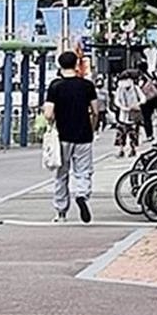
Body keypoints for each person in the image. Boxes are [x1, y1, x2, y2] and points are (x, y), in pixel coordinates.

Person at [44, 50, 100, 223]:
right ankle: (82, 195)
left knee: (62, 174)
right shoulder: (87, 85)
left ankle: (61, 212)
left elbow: (48, 113)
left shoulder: (55, 86)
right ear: (76, 64)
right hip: (84, 134)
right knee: (83, 171)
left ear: (59, 65)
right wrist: (92, 127)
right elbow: (96, 111)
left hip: (62, 135)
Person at [112, 70, 143, 158]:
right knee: (121, 133)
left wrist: (137, 105)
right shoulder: (120, 89)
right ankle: (121, 150)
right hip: (123, 115)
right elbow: (116, 100)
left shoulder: (136, 88)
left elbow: (143, 98)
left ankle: (133, 149)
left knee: (133, 134)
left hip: (133, 115)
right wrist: (122, 107)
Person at [137, 64, 157, 141]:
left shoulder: (142, 78)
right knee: (148, 118)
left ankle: (148, 134)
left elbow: (140, 89)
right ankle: (149, 134)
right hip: (152, 99)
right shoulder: (149, 76)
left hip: (145, 100)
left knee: (145, 118)